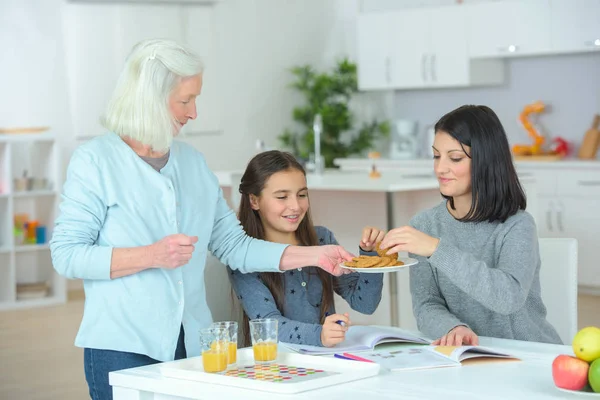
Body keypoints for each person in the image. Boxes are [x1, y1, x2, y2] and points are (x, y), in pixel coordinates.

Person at [49, 39, 353, 400]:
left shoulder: (192, 163)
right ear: (150, 97)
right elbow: (67, 254)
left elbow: (235, 246)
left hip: (193, 346)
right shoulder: (95, 161)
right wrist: (150, 256)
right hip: (122, 344)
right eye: (185, 100)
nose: (193, 113)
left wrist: (315, 255)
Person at [380, 105, 562, 346]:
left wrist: (437, 249)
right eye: (436, 156)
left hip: (528, 353)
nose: (440, 168)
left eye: (454, 158)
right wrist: (453, 327)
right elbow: (427, 304)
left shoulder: (518, 225)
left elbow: (508, 297)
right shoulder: (424, 225)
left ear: (485, 161)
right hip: (468, 355)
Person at [228, 150, 385, 347]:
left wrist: (370, 257)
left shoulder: (321, 238)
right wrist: (320, 335)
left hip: (327, 358)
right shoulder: (244, 258)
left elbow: (365, 304)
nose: (295, 206)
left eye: (302, 194)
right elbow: (268, 326)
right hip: (275, 365)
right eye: (282, 197)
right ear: (254, 200)